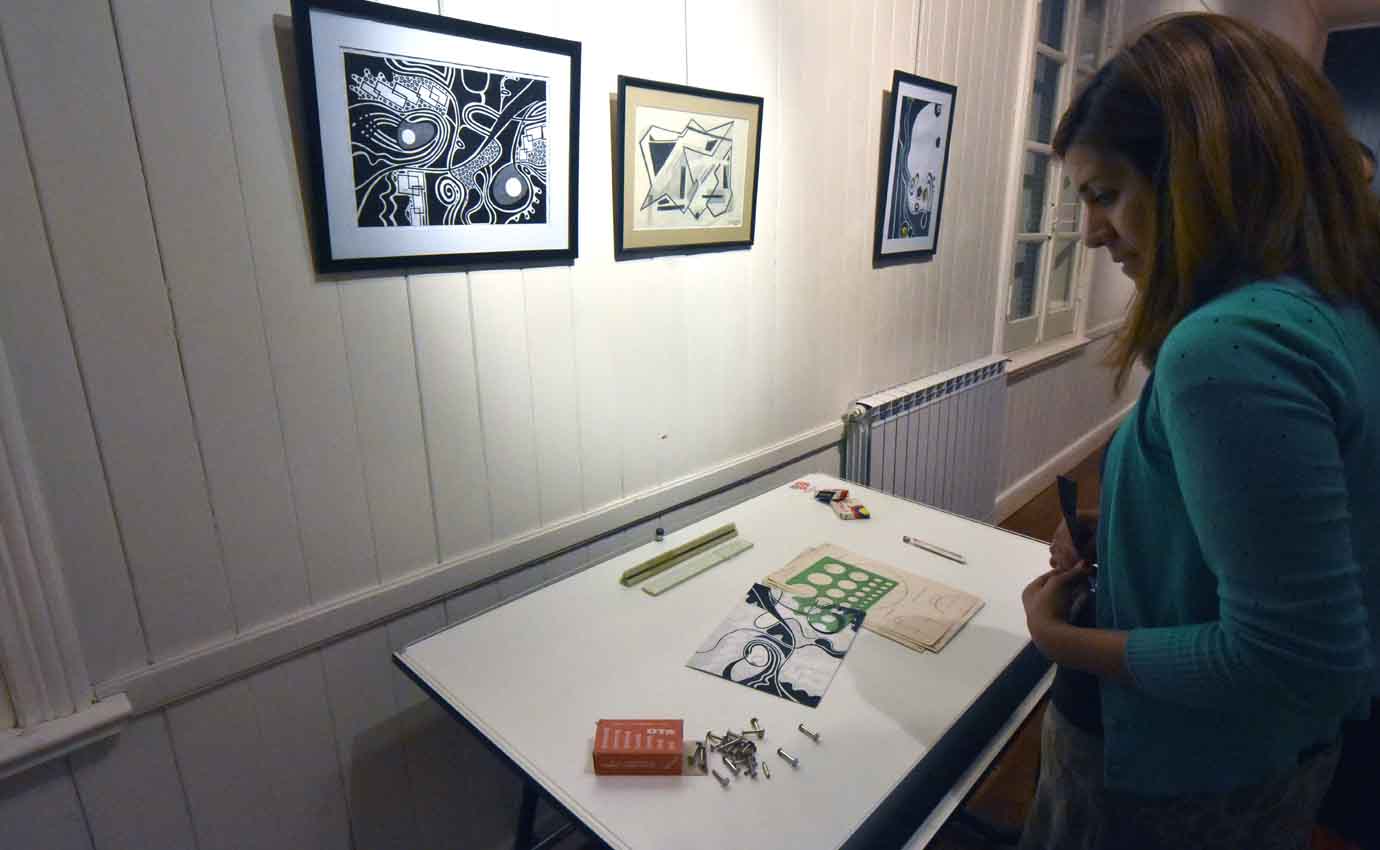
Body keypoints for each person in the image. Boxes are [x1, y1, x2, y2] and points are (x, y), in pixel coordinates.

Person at [1018, 13, 1380, 850]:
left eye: (1106, 194)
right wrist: (1133, 529)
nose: (1091, 232)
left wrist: (1061, 639)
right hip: (1273, 760)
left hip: (1174, 773)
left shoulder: (1228, 346)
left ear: (1200, 175)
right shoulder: (1339, 304)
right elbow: (1317, 528)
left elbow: (1295, 655)